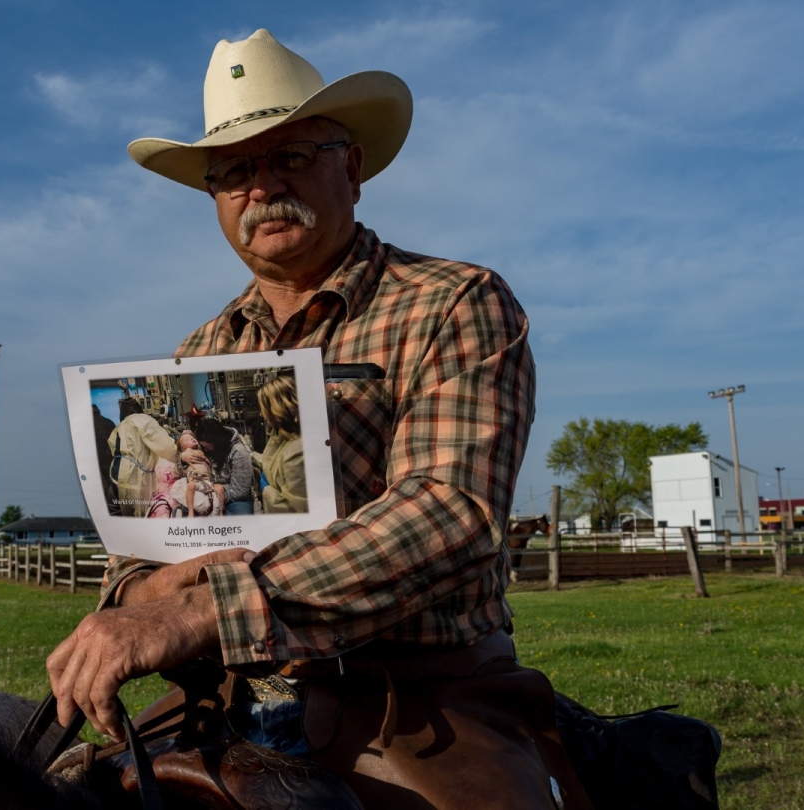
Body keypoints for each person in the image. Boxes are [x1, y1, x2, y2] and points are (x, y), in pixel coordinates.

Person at [48, 30, 586, 808]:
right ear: (215, 199)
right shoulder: (202, 348)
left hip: (420, 694)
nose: (262, 186)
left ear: (351, 167)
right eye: (233, 172)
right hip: (233, 689)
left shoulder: (452, 302)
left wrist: (205, 608)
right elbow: (138, 542)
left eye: (291, 156)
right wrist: (146, 590)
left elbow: (449, 511)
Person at [107, 398, 178, 517]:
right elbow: (166, 447)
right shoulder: (142, 419)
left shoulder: (121, 426)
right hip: (131, 483)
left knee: (118, 522)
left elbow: (114, 448)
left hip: (115, 481)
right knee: (135, 522)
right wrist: (181, 455)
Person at [252, 376, 307, 514]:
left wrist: (267, 490)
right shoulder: (280, 435)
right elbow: (273, 463)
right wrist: (252, 456)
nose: (261, 414)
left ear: (276, 408)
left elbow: (298, 509)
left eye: (263, 408)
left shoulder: (298, 452)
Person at [194, 418, 254, 515]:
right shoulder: (204, 444)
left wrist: (215, 493)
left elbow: (240, 492)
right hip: (207, 495)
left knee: (241, 515)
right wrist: (183, 458)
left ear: (217, 442)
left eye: (207, 447)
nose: (206, 450)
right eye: (203, 446)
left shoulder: (238, 452)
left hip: (233, 499)